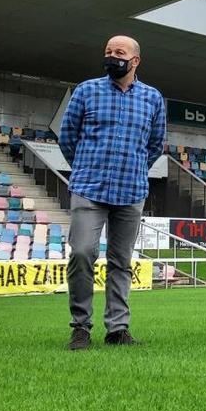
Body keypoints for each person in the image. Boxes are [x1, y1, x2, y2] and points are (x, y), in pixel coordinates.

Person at [59, 35, 167, 350]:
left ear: (135, 61)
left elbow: (155, 145)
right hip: (89, 188)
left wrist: (132, 168)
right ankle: (80, 327)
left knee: (121, 261)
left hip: (131, 190)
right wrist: (85, 167)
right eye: (108, 51)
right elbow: (68, 137)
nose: (112, 56)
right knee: (82, 253)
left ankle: (117, 329)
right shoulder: (86, 90)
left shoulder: (152, 98)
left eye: (119, 52)